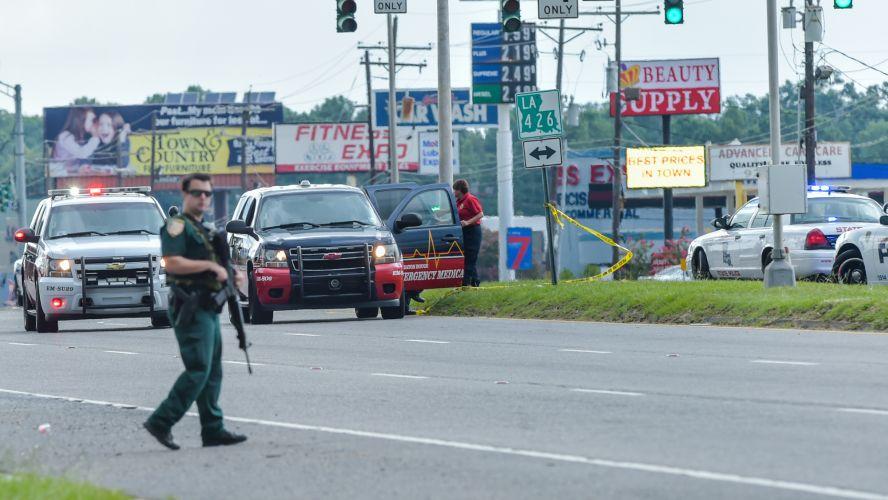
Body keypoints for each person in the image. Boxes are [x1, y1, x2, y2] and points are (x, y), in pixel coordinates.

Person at [143, 173, 247, 450]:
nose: (203, 198)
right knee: (199, 368)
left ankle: (213, 429)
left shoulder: (206, 230)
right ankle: (161, 421)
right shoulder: (176, 225)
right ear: (185, 194)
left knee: (212, 370)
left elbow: (218, 263)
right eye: (197, 193)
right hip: (190, 305)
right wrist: (210, 268)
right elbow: (172, 262)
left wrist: (232, 275)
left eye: (207, 194)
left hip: (209, 305)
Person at [50, 107, 100, 176]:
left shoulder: (80, 136)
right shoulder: (65, 136)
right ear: (81, 120)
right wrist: (95, 137)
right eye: (92, 120)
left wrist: (81, 167)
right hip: (59, 174)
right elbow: (82, 154)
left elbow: (76, 161)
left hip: (68, 173)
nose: (95, 124)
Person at [453, 179, 483, 287]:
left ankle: (465, 284)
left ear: (460, 190)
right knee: (467, 258)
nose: (454, 192)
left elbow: (480, 214)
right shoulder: (458, 202)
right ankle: (475, 282)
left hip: (473, 231)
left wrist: (467, 222)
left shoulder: (470, 199)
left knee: (470, 258)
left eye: (455, 190)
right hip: (464, 232)